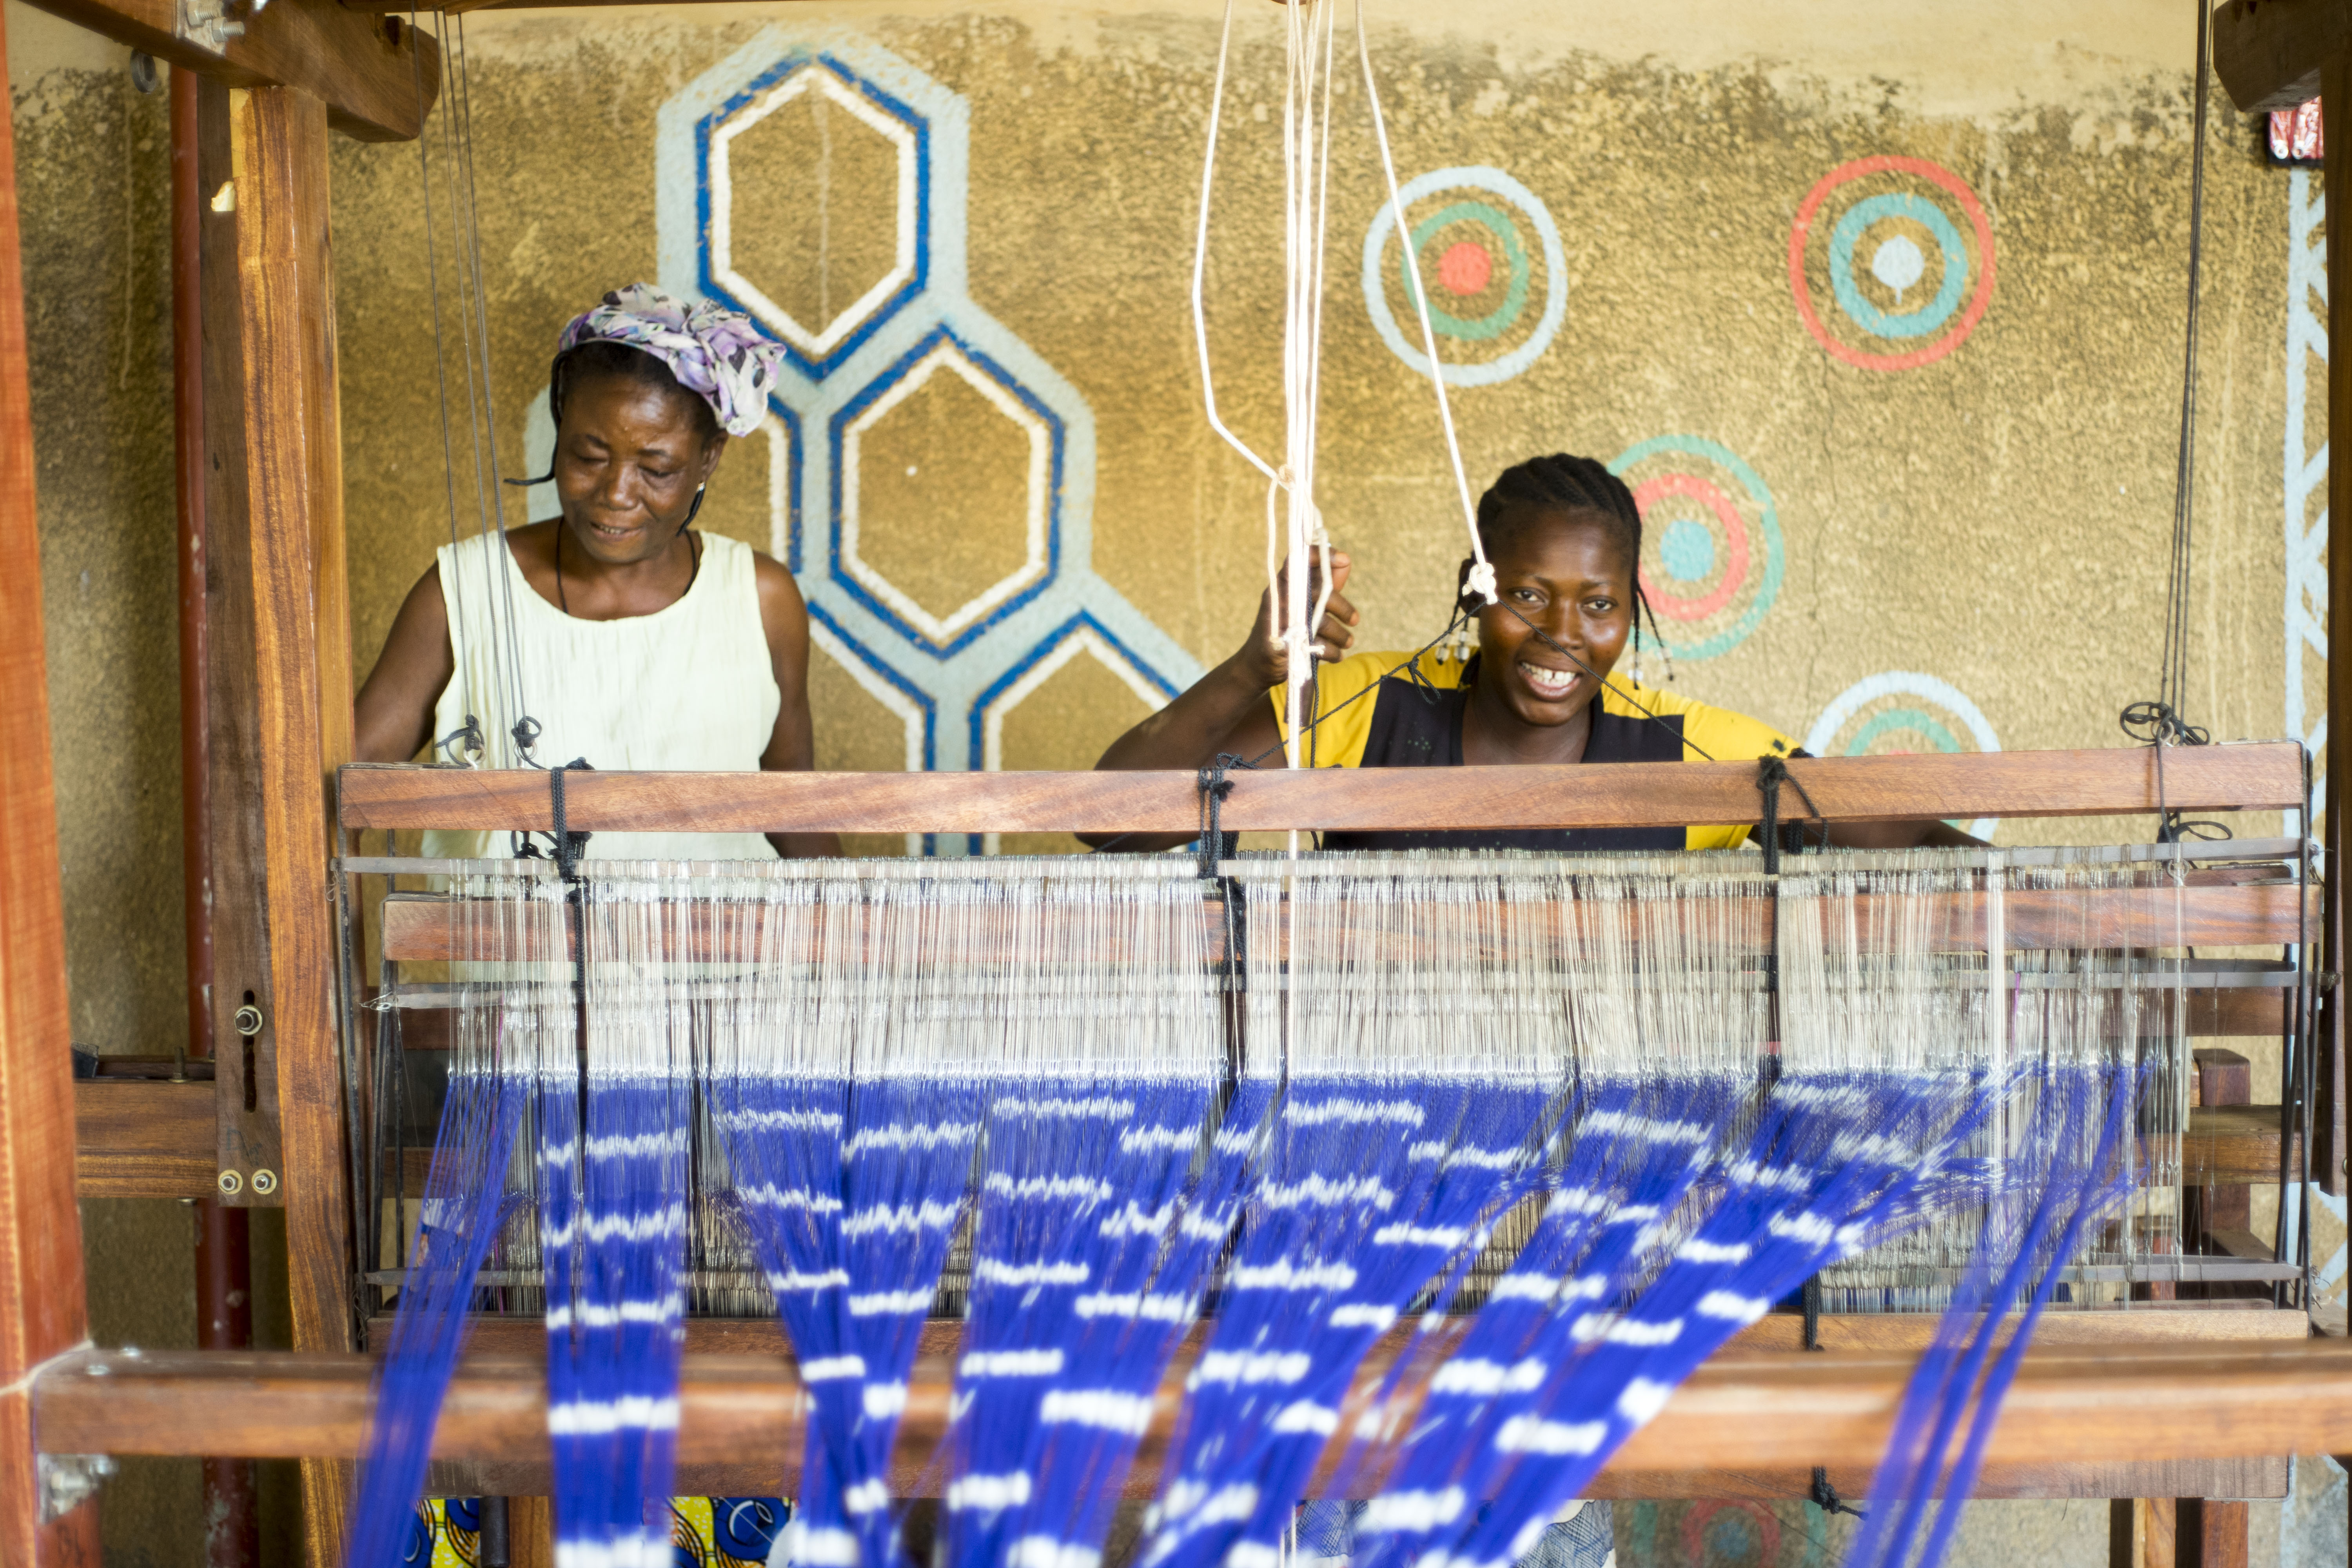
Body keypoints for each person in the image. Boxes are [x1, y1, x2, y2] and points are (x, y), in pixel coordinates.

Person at [1092, 451, 1976, 854]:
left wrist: (2059, 910)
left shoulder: (1686, 752)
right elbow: (1113, 821)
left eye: (1598, 604)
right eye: (1526, 595)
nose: (1562, 633)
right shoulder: (1368, 708)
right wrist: (1255, 668)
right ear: (1477, 592)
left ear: (1629, 613)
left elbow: (1902, 834)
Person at [354, 285, 836, 860]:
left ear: (709, 458)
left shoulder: (759, 600)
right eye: (589, 457)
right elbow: (334, 791)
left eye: (656, 468)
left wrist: (864, 940)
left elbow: (794, 817)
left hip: (722, 953)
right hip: (521, 953)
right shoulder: (465, 593)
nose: (616, 494)